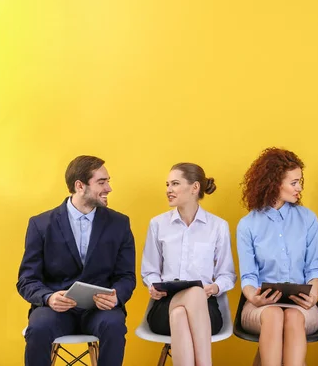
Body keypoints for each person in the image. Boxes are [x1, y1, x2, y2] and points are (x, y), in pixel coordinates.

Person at [17, 155, 136, 366]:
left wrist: (116, 297)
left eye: (108, 181)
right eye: (102, 182)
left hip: (100, 311)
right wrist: (48, 297)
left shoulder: (120, 223)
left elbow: (126, 276)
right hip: (55, 311)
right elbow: (27, 280)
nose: (109, 188)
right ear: (79, 186)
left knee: (115, 324)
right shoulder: (40, 224)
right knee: (38, 327)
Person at [141, 163, 236, 366]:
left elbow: (227, 274)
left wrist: (216, 287)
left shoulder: (218, 226)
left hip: (206, 308)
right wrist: (153, 285)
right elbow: (149, 270)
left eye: (175, 184)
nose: (168, 190)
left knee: (182, 313)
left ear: (195, 188)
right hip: (164, 305)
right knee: (191, 296)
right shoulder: (157, 224)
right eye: (167, 184)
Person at [236, 148, 318, 366]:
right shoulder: (248, 225)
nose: (299, 188)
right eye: (294, 183)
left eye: (300, 181)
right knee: (274, 315)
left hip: (301, 306)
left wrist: (313, 295)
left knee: (292, 317)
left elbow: (314, 268)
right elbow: (248, 275)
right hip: (260, 306)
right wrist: (254, 298)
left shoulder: (308, 219)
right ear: (274, 183)